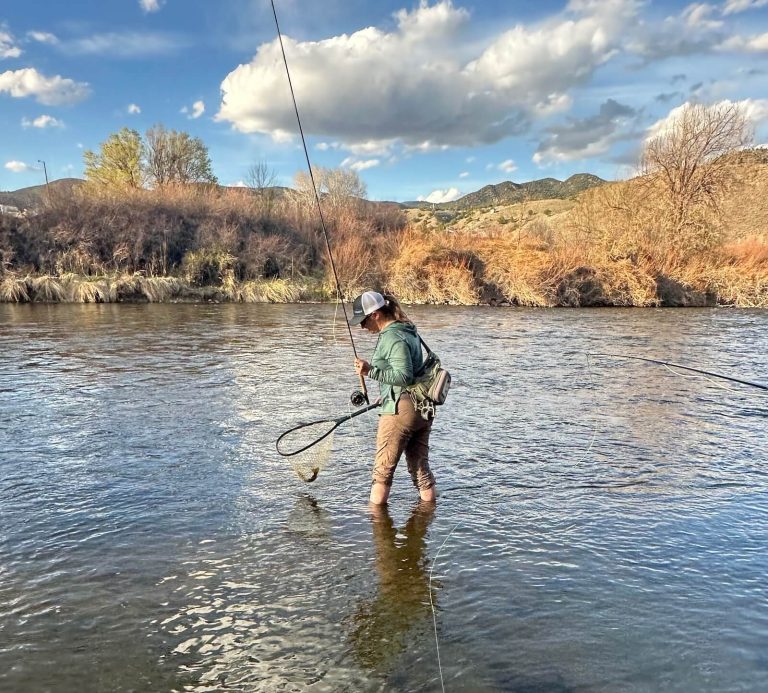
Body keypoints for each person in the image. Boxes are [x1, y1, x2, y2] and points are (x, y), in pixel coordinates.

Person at [350, 290, 436, 505]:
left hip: (401, 411)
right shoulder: (408, 330)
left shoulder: (391, 337)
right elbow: (410, 372)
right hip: (421, 409)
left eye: (363, 320)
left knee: (382, 471)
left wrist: (371, 371)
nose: (361, 326)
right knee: (420, 470)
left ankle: (376, 526)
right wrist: (385, 394)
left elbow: (404, 375)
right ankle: (427, 518)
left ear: (376, 314)